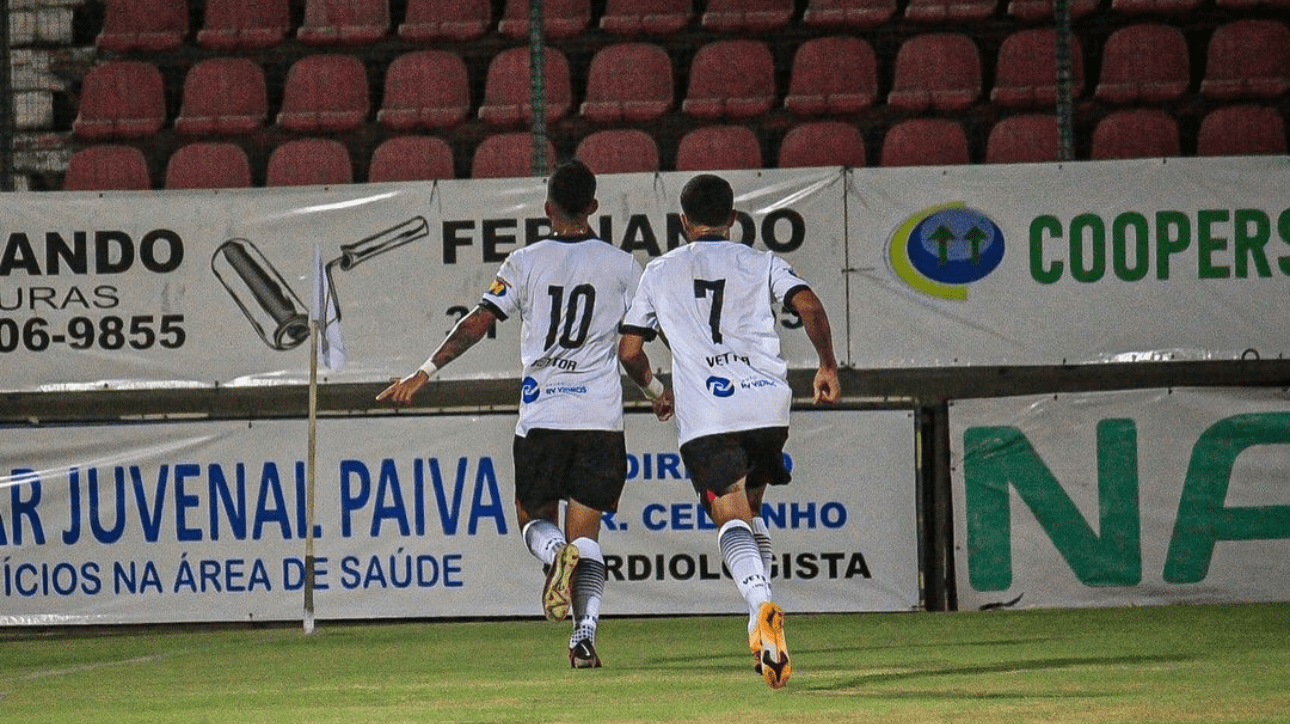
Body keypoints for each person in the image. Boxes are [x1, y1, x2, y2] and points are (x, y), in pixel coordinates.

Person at [378, 159, 644, 669]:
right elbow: (632, 347)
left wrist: (425, 371)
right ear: (593, 207)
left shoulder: (524, 262)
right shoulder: (623, 267)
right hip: (599, 421)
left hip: (544, 416)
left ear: (547, 210)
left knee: (532, 520)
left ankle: (551, 556)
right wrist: (655, 389)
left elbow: (479, 322)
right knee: (585, 538)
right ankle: (583, 637)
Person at [617, 173, 840, 689]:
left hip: (710, 414)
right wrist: (826, 365)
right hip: (766, 407)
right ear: (734, 220)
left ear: (683, 222)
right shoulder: (761, 262)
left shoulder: (661, 270)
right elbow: (807, 303)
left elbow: (630, 350)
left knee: (730, 517)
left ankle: (761, 604)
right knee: (752, 511)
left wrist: (655, 391)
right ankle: (761, 632)